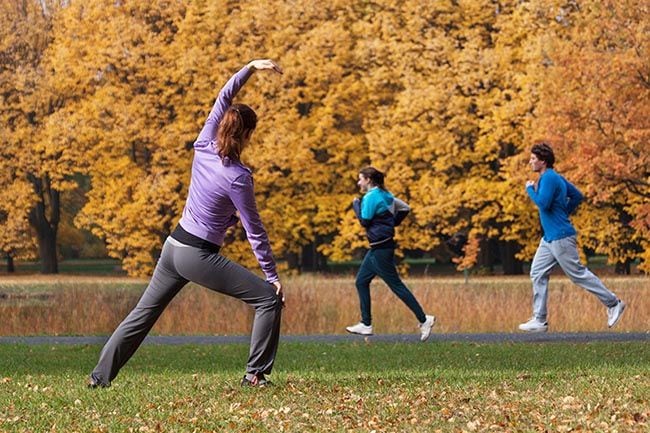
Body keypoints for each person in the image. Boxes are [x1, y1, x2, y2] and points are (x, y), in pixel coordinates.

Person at [88, 59, 285, 388]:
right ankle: (255, 374)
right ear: (248, 135)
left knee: (142, 316)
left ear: (221, 127)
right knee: (267, 298)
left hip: (173, 247)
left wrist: (249, 67)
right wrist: (272, 276)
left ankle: (99, 377)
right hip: (197, 255)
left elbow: (223, 97)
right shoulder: (238, 178)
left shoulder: (203, 145)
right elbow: (255, 232)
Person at [519, 142, 626, 333]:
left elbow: (543, 203)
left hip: (560, 236)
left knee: (577, 274)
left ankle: (613, 303)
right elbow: (577, 196)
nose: (530, 162)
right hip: (549, 238)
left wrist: (530, 190)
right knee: (537, 272)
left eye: (533, 159)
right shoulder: (555, 178)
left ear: (543, 161)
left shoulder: (550, 178)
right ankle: (540, 320)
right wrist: (564, 212)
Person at [346, 167, 436, 341]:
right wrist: (392, 223)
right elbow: (405, 208)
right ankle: (366, 324)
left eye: (360, 179)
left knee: (396, 286)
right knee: (361, 281)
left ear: (369, 180)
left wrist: (356, 204)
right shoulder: (385, 195)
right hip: (378, 247)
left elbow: (364, 221)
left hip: (381, 248)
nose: (359, 183)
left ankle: (425, 320)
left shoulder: (371, 197)